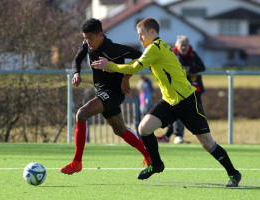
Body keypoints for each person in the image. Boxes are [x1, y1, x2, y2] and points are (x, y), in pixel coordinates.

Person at [91, 18, 241, 187]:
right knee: (144, 128)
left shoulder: (156, 48)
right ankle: (156, 164)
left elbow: (134, 67)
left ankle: (233, 173)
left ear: (152, 32)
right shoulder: (153, 49)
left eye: (141, 35)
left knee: (207, 143)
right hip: (169, 102)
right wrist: (112, 66)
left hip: (186, 101)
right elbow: (136, 63)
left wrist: (110, 65)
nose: (139, 39)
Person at [60, 18, 152, 175]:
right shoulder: (87, 45)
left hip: (115, 93)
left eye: (90, 38)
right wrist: (76, 73)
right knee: (120, 130)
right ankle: (149, 156)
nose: (87, 42)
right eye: (85, 38)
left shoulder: (114, 49)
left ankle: (77, 162)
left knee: (81, 114)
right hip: (101, 92)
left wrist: (126, 77)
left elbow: (141, 58)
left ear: (100, 34)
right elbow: (77, 59)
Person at [156, 35, 205, 144]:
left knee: (196, 113)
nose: (184, 47)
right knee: (177, 113)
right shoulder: (172, 54)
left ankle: (203, 136)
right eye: (182, 45)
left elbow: (202, 67)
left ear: (189, 46)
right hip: (177, 90)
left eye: (186, 45)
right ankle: (176, 136)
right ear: (177, 46)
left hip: (194, 89)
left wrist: (190, 69)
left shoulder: (193, 54)